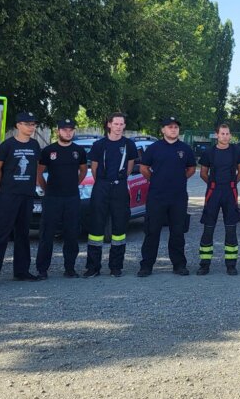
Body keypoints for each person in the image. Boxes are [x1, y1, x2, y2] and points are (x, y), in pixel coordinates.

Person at [0, 111, 41, 285]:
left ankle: (21, 271)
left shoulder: (35, 145)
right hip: (7, 195)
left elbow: (36, 167)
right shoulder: (7, 145)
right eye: (27, 124)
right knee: (1, 233)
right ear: (18, 125)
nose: (31, 127)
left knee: (23, 234)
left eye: (33, 124)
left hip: (27, 195)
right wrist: (6, 185)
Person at [138, 116, 196, 277]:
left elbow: (191, 168)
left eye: (176, 127)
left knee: (177, 232)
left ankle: (179, 265)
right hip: (157, 196)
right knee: (152, 231)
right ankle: (146, 266)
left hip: (178, 197)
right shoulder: (154, 148)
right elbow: (144, 168)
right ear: (163, 130)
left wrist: (179, 179)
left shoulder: (185, 148)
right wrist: (155, 179)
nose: (173, 129)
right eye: (169, 127)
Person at [85, 112, 138, 278]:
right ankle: (93, 267)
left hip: (119, 187)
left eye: (122, 124)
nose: (119, 127)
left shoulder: (129, 144)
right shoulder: (99, 145)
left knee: (119, 228)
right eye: (116, 124)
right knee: (96, 228)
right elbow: (94, 168)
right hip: (101, 187)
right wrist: (103, 182)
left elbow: (130, 166)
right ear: (109, 125)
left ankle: (116, 267)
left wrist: (118, 180)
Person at [35, 118, 88, 279]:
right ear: (58, 131)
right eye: (64, 129)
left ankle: (70, 268)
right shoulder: (48, 150)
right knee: (47, 234)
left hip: (72, 198)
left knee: (71, 234)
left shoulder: (79, 150)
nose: (68, 132)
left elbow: (83, 171)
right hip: (52, 198)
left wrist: (74, 185)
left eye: (71, 129)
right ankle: (42, 269)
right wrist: (47, 189)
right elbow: (39, 173)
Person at [197, 123, 240, 275]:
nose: (225, 136)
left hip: (230, 191)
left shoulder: (236, 151)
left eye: (227, 134)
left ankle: (231, 265)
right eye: (222, 134)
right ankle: (204, 264)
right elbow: (203, 173)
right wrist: (213, 185)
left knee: (231, 228)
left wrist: (231, 184)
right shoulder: (209, 152)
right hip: (213, 191)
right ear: (217, 135)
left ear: (230, 135)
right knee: (208, 227)